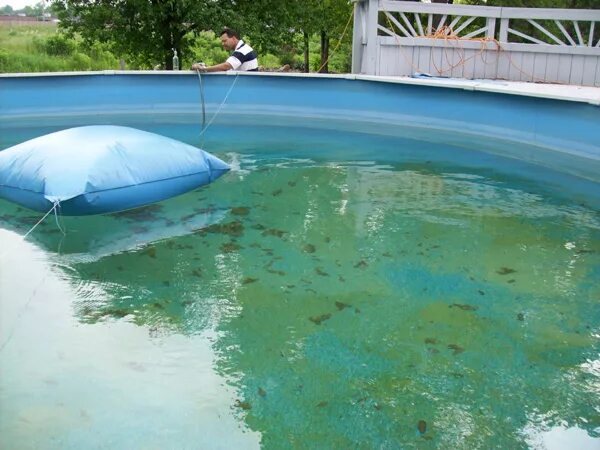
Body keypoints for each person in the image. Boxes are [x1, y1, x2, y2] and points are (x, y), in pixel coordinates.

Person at [192, 28, 258, 72]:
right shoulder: (244, 48)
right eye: (222, 42)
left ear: (233, 38)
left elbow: (226, 66)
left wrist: (203, 69)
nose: (223, 44)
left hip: (245, 87)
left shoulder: (242, 50)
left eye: (225, 41)